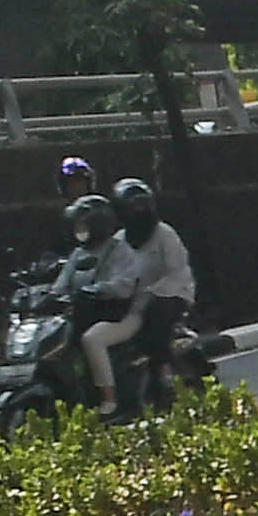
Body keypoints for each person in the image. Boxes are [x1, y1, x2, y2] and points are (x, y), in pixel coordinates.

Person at [97, 175, 198, 415]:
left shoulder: (165, 234)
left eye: (143, 205)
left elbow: (178, 271)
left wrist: (152, 293)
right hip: (132, 299)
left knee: (155, 317)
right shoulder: (118, 242)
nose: (139, 212)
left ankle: (164, 374)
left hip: (172, 294)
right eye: (132, 207)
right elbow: (109, 271)